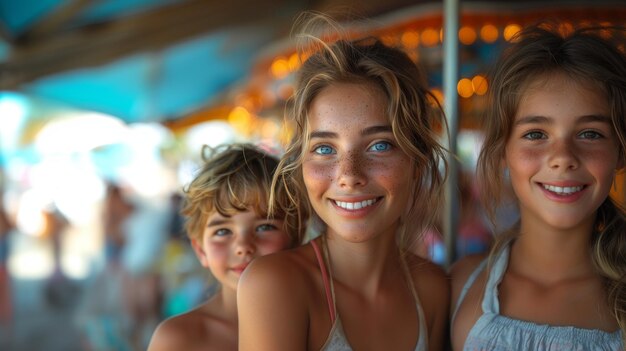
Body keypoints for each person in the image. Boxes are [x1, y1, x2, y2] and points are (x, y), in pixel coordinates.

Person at [238, 12, 450, 351]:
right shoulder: (277, 285)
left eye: (380, 145)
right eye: (324, 148)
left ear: (417, 161)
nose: (349, 175)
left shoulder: (432, 290)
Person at [450, 23, 626, 350]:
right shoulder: (459, 285)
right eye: (536, 135)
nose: (562, 158)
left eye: (590, 134)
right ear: (504, 149)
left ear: (620, 152)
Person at [147, 143, 302, 351]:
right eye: (222, 231)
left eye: (265, 227)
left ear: (296, 237)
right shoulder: (179, 340)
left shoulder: (318, 322)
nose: (243, 246)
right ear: (201, 250)